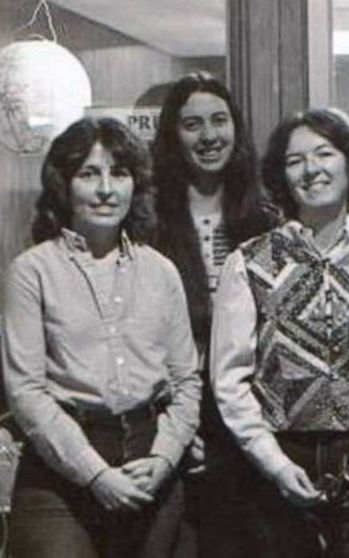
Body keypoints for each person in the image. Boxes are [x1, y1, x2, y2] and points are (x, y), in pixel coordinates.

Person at [211, 107, 349, 557]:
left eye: (324, 154)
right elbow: (230, 383)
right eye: (295, 161)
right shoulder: (248, 264)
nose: (311, 169)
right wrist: (273, 464)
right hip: (278, 470)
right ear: (282, 179)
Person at [2, 117, 201, 557]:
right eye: (89, 174)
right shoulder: (31, 272)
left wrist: (165, 456)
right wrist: (95, 474)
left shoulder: (161, 271)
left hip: (152, 460)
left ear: (136, 184)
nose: (106, 189)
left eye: (120, 173)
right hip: (61, 466)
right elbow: (25, 393)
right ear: (63, 185)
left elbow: (187, 382)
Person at [151, 71, 279, 557]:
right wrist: (178, 426)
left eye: (219, 121)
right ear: (172, 136)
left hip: (250, 410)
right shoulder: (148, 217)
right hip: (174, 405)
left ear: (236, 128)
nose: (208, 136)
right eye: (192, 125)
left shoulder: (265, 215)